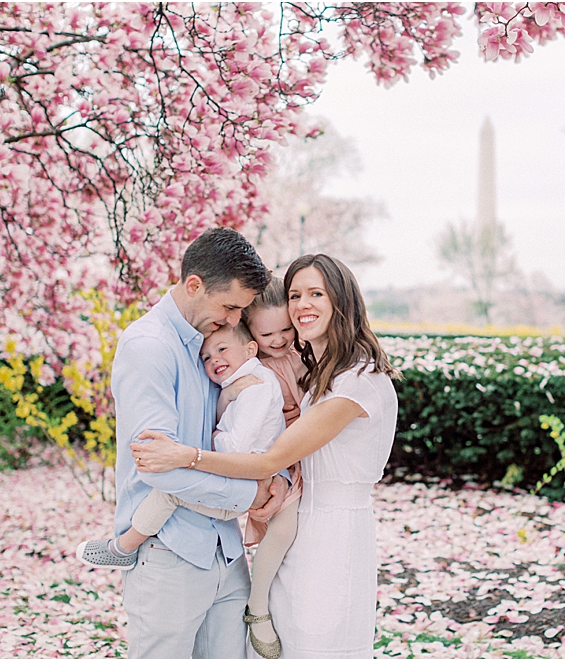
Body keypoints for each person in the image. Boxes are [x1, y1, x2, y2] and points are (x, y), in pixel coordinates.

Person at [131, 254, 400, 659]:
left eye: (316, 293)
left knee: (317, 648)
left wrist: (186, 456)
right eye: (295, 294)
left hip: (333, 535)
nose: (302, 304)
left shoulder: (357, 381)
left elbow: (268, 459)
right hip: (297, 528)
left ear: (342, 301)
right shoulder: (319, 374)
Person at [107, 227, 288, 659]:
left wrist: (276, 476)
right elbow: (159, 463)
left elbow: (248, 426)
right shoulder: (150, 348)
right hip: (169, 551)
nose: (232, 321)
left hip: (226, 552)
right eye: (228, 307)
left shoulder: (210, 346)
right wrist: (251, 491)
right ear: (194, 285)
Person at [78, 320, 297, 658]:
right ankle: (125, 546)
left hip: (232, 515)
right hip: (186, 544)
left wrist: (198, 449)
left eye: (222, 350)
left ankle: (123, 547)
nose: (213, 361)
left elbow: (236, 445)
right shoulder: (160, 352)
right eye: (207, 357)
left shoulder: (252, 386)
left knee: (170, 490)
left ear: (250, 348)